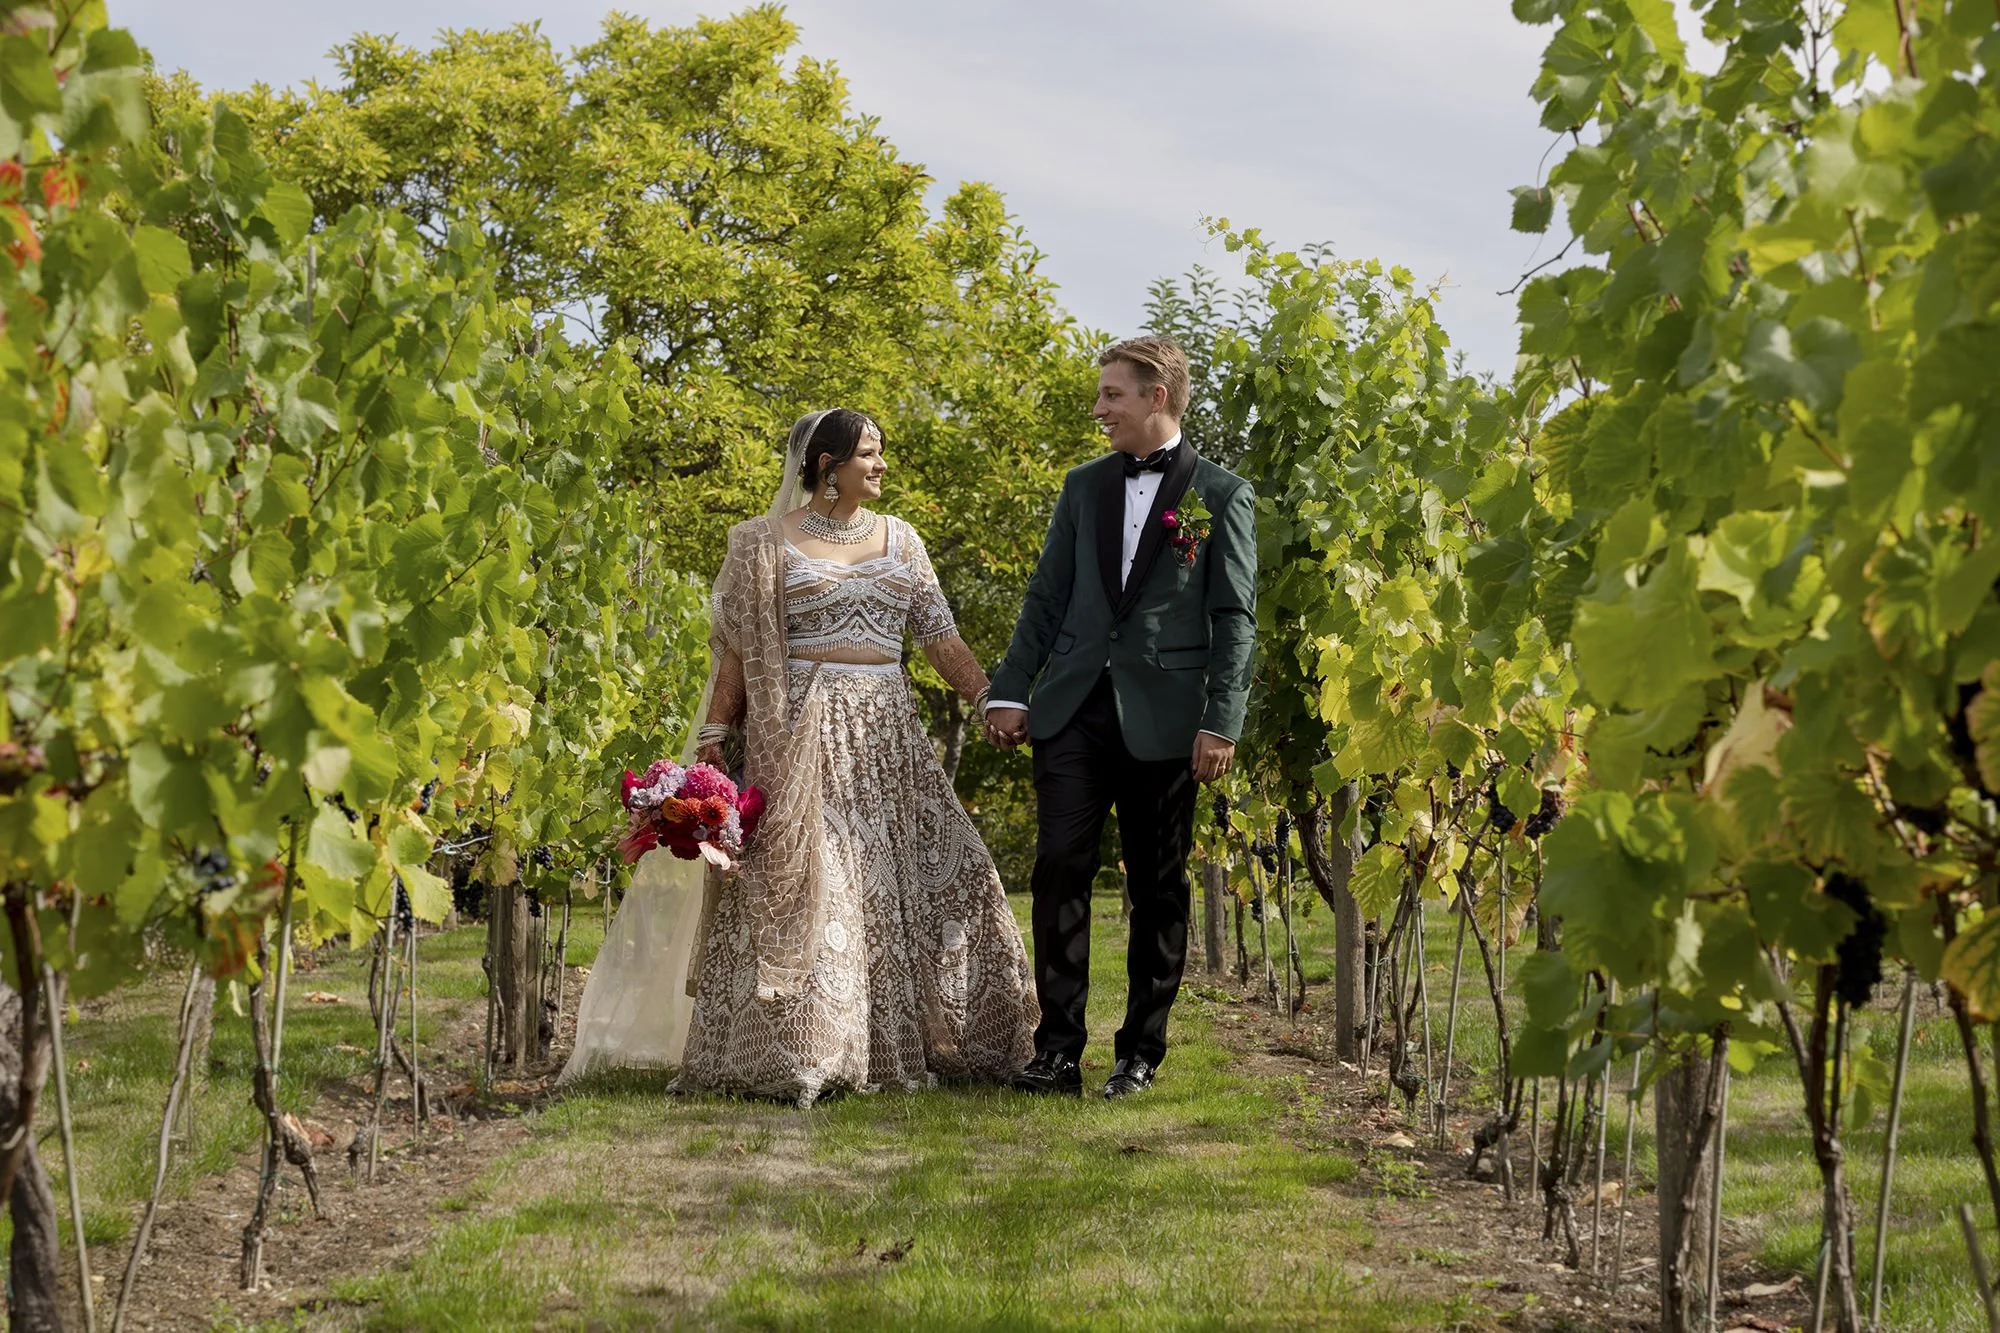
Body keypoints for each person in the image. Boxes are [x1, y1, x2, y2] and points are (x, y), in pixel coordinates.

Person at [640, 408, 1040, 1108]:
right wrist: (712, 737)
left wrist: (986, 700)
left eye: (881, 452)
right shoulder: (765, 544)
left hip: (889, 738)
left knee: (956, 868)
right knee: (816, 881)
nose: (881, 465)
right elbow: (737, 650)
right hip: (800, 736)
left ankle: (970, 1035)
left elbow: (939, 636)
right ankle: (808, 1052)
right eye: (869, 454)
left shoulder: (904, 540)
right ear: (827, 467)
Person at [984, 336, 1257, 1099]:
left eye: (1112, 395)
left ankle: (1139, 1051)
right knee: (1059, 866)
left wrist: (1221, 718)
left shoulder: (1220, 497)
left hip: (1167, 719)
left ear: (1156, 397)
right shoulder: (1084, 486)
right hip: (1072, 706)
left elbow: (1235, 617)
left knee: (1159, 885)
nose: (1099, 408)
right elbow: (1046, 594)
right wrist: (1011, 687)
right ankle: (1057, 1050)